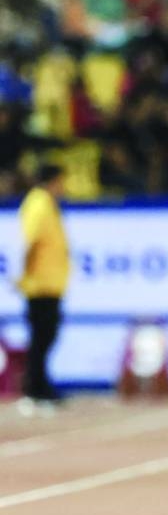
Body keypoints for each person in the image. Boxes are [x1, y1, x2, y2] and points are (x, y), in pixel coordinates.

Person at [17, 164, 70, 416]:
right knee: (41, 338)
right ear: (52, 180)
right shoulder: (38, 203)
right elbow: (32, 244)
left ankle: (40, 386)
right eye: (61, 181)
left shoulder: (47, 203)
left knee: (46, 337)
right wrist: (27, 276)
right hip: (40, 285)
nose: (64, 187)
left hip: (50, 283)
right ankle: (33, 390)